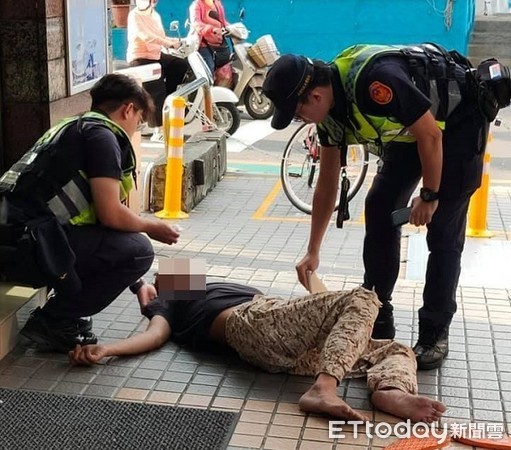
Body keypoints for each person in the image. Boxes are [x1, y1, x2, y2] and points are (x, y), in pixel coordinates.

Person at [261, 45, 505, 370]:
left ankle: (435, 332)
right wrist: (312, 250)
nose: (298, 119)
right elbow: (327, 181)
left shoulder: (376, 84)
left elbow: (431, 135)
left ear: (315, 96)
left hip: (458, 124)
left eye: (297, 112)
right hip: (413, 133)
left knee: (443, 231)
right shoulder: (331, 115)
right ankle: (377, 314)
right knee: (380, 208)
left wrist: (430, 196)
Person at [69, 278, 446, 423]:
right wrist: (108, 349)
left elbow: (325, 316)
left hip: (290, 344)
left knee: (394, 347)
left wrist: (313, 282)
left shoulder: (196, 281)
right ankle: (324, 389)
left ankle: (390, 390)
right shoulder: (170, 302)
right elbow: (155, 334)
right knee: (365, 296)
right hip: (249, 324)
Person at [0, 73, 180, 352]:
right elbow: (111, 215)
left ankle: (63, 315)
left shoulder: (72, 126)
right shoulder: (102, 137)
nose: (135, 129)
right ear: (128, 109)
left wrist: (138, 284)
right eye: (139, 121)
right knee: (140, 250)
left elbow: (95, 219)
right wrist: (152, 226)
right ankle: (54, 319)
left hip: (16, 240)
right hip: (26, 250)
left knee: (126, 245)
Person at [127, 0, 189, 140]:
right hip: (140, 57)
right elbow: (146, 36)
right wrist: (169, 43)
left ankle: (168, 99)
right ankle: (158, 130)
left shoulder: (155, 15)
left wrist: (177, 41)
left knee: (180, 65)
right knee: (157, 88)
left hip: (156, 55)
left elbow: (160, 36)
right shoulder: (134, 16)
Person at [189, 0, 232, 78]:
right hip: (203, 44)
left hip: (219, 43)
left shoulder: (217, 3)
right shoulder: (196, 5)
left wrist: (231, 28)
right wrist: (211, 29)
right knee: (209, 69)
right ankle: (206, 89)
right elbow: (196, 23)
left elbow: (222, 21)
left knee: (228, 66)